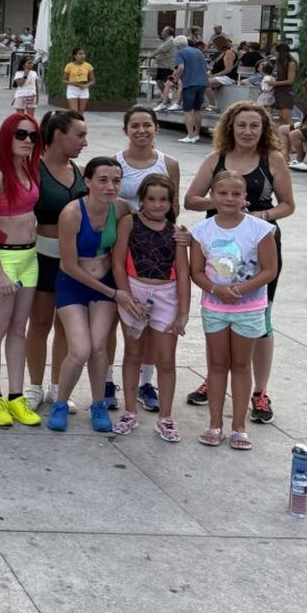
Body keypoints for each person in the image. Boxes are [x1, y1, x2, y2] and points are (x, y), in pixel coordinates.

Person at [182, 103, 293, 423]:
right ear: (230, 127)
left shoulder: (272, 159)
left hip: (259, 244)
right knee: (219, 315)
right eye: (241, 125)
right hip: (219, 245)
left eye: (254, 126)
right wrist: (223, 201)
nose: (247, 131)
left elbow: (288, 204)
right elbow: (190, 200)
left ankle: (260, 391)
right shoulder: (215, 159)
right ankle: (214, 377)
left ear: (263, 129)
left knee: (261, 318)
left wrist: (261, 215)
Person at [189, 171, 278, 450]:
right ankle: (215, 423)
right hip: (214, 307)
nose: (229, 198)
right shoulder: (202, 231)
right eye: (223, 193)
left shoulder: (259, 229)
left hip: (249, 309)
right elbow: (196, 271)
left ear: (245, 198)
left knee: (241, 365)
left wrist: (240, 289)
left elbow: (269, 270)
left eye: (236, 194)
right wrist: (216, 290)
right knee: (217, 365)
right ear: (212, 196)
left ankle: (239, 427)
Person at [0, 115, 45, 429]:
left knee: (19, 329)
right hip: (2, 259)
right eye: (20, 134)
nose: (28, 140)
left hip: (30, 259)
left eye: (33, 135)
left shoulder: (28, 168)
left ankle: (17, 396)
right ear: (7, 136)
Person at [47, 158, 128, 433]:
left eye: (116, 180)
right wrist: (114, 293)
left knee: (98, 347)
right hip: (73, 282)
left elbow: (150, 222)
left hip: (105, 281)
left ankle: (98, 403)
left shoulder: (120, 208)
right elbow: (70, 265)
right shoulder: (72, 213)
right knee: (80, 349)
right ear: (88, 181)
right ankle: (60, 403)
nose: (110, 186)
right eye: (103, 180)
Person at [112, 173, 190, 442]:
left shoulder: (176, 231)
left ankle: (165, 417)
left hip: (166, 295)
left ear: (171, 202)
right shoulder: (128, 222)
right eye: (152, 199)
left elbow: (183, 273)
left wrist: (183, 312)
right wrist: (125, 295)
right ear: (142, 200)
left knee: (166, 359)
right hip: (134, 291)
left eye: (163, 200)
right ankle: (129, 411)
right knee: (133, 353)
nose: (157, 205)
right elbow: (118, 262)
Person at [24, 110, 89, 410]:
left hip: (75, 260)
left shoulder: (80, 170)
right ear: (58, 134)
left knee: (65, 325)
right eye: (80, 135)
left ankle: (57, 387)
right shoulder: (32, 168)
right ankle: (34, 386)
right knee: (39, 323)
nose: (84, 142)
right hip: (42, 256)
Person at [172, 34, 209, 143]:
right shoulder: (198, 52)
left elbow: (181, 67)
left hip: (190, 83)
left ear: (177, 45)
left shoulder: (180, 53)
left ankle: (190, 135)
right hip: (202, 82)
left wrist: (176, 78)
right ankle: (197, 134)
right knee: (197, 109)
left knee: (187, 110)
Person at [270, 42, 299, 124]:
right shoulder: (277, 63)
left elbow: (290, 81)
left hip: (286, 92)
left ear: (281, 52)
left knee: (286, 117)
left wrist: (275, 83)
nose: (274, 53)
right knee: (281, 117)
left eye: (275, 51)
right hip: (277, 91)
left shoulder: (291, 63)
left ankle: (290, 131)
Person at [152, 28, 179, 110]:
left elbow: (161, 50)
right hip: (161, 65)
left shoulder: (170, 41)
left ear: (167, 33)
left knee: (169, 83)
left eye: (163, 31)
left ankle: (169, 99)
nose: (162, 32)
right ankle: (165, 97)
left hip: (167, 65)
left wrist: (151, 55)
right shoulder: (165, 41)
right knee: (158, 80)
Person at [63, 48, 94, 115]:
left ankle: (79, 122)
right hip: (72, 89)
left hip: (84, 89)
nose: (82, 56)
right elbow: (64, 80)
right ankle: (73, 121)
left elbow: (93, 80)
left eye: (83, 54)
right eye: (80, 54)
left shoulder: (88, 66)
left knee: (81, 113)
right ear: (75, 56)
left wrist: (86, 85)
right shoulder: (69, 66)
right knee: (74, 112)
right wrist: (74, 83)